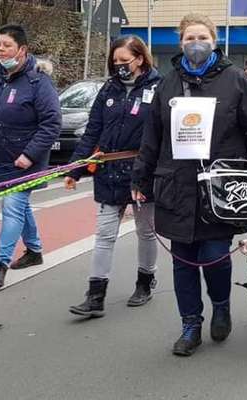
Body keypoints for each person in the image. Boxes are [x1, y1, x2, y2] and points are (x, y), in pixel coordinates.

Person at [131, 13, 247, 357]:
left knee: (214, 256)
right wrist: (141, 178)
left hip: (222, 187)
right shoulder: (166, 84)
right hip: (175, 186)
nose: (195, 44)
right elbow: (151, 137)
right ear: (180, 43)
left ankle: (221, 306)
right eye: (188, 38)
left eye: (202, 37)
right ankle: (190, 325)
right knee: (182, 260)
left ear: (213, 40)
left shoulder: (235, 80)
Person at [66, 35, 162, 318]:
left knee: (146, 230)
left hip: (143, 172)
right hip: (109, 171)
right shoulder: (109, 89)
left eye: (124, 61)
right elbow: (92, 130)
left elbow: (164, 136)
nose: (119, 66)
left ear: (140, 59)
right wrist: (75, 168)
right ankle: (95, 295)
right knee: (105, 234)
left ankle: (145, 280)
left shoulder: (159, 88)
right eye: (115, 61)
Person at [0, 24, 61, 289]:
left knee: (12, 206)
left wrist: (30, 155)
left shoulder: (38, 82)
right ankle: (34, 250)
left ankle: (0, 263)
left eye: (7, 45)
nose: (1, 50)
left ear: (22, 50)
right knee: (19, 206)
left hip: (24, 161)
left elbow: (51, 123)